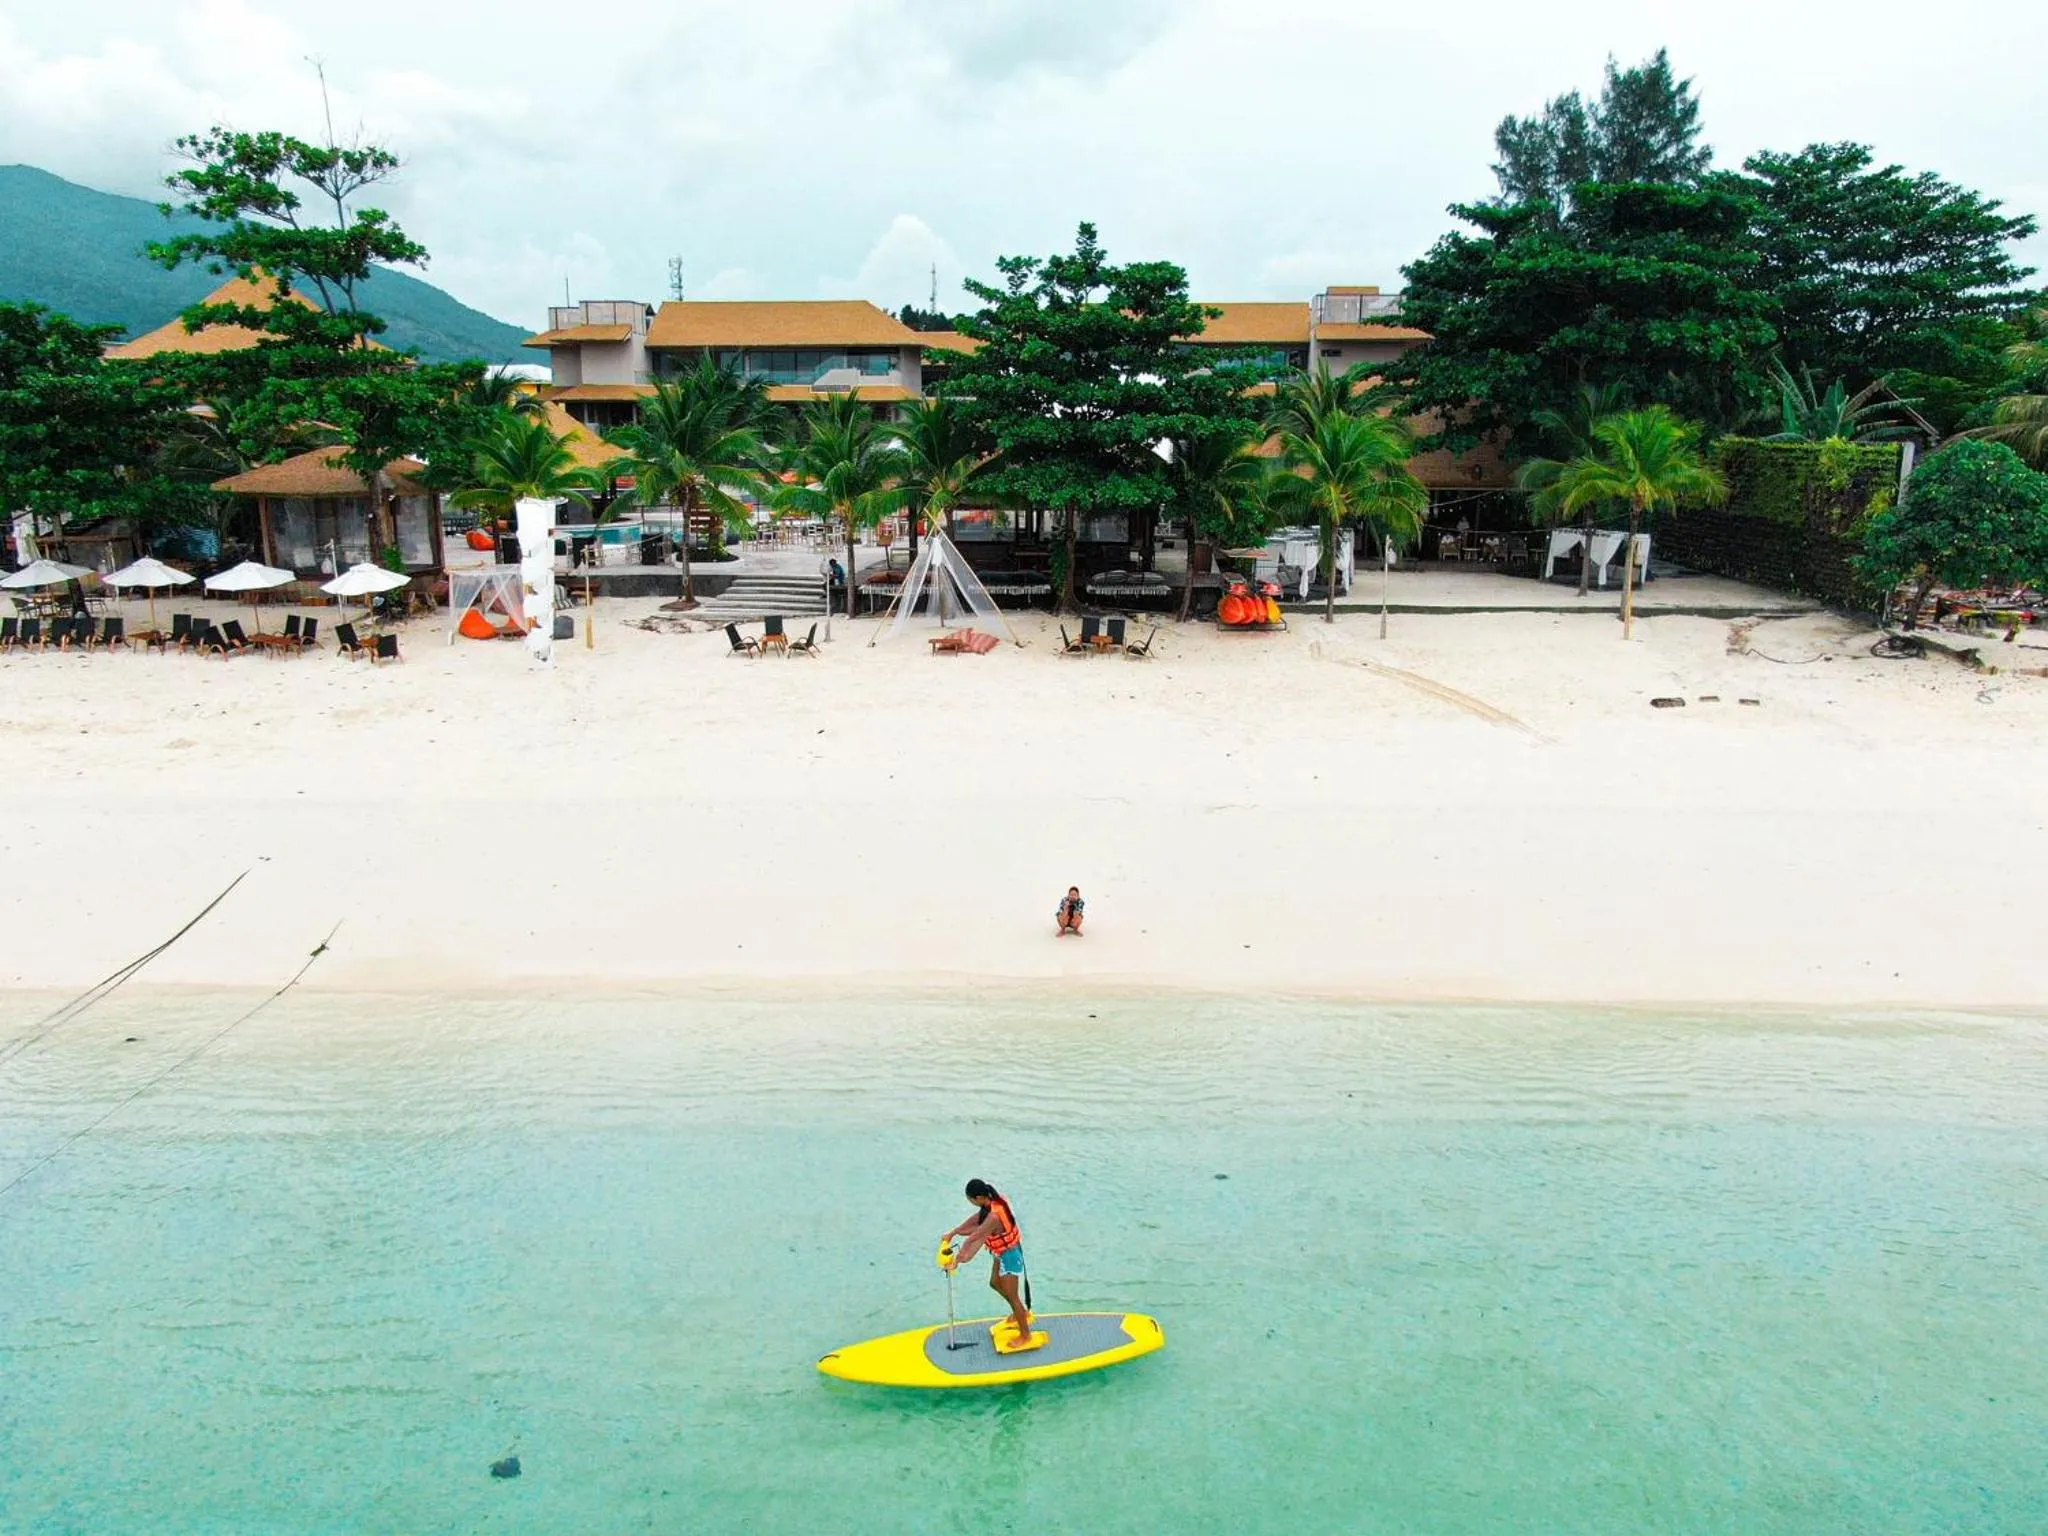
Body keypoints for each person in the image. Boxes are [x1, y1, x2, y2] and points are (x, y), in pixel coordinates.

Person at [942, 1179, 1033, 1343]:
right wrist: (953, 1232)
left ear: (978, 1198)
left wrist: (957, 1260)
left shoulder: (993, 1217)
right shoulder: (993, 1201)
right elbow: (975, 1221)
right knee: (994, 1283)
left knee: (1013, 1297)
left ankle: (1025, 1334)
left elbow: (975, 1237)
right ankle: (1019, 1313)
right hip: (1000, 1252)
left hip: (1010, 1256)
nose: (970, 1203)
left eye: (970, 1200)